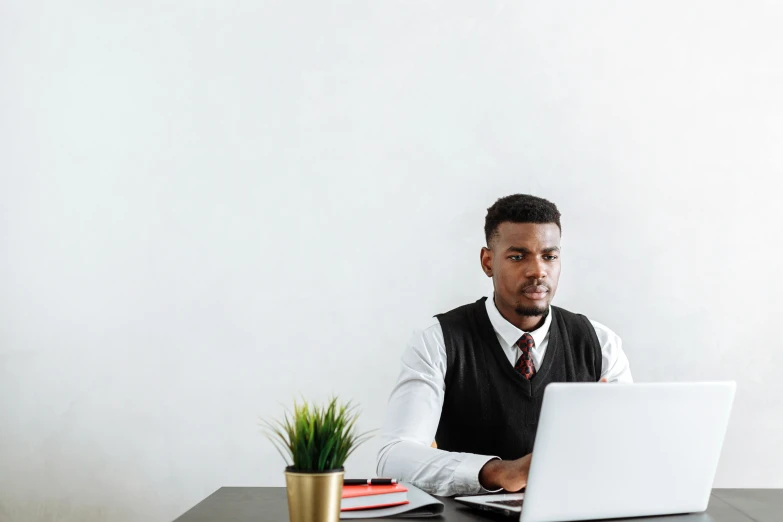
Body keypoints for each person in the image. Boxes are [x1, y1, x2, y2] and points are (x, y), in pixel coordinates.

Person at [376, 194, 633, 497]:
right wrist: (497, 472)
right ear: (488, 261)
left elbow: (629, 453)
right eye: (517, 256)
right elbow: (393, 457)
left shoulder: (600, 343)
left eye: (549, 256)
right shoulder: (439, 341)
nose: (537, 271)